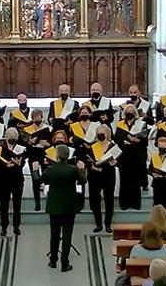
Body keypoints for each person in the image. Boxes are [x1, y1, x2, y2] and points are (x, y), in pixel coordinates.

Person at [32, 144, 87, 272]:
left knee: (54, 234)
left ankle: (53, 261)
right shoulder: (73, 170)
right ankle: (65, 263)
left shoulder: (50, 169)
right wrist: (82, 169)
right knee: (67, 235)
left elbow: (38, 181)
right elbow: (83, 181)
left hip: (54, 206)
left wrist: (35, 170)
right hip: (69, 206)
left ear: (56, 155)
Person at [114, 104, 148, 210]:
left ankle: (135, 204)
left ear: (135, 113)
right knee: (124, 181)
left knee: (135, 181)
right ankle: (124, 204)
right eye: (127, 111)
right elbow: (117, 139)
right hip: (124, 156)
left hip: (137, 156)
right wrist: (125, 141)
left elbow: (145, 141)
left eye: (132, 111)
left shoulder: (141, 124)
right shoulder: (120, 124)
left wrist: (137, 141)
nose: (130, 113)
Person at [0, 128, 26, 236]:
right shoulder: (0, 149)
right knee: (4, 204)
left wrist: (19, 164)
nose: (12, 138)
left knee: (17, 204)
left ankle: (16, 226)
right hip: (4, 180)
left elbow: (23, 161)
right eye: (10, 136)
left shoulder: (21, 148)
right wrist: (5, 165)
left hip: (17, 179)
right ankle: (4, 226)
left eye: (14, 136)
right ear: (6, 137)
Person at [87, 124, 118, 233]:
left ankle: (108, 224)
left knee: (109, 200)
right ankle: (98, 224)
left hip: (108, 176)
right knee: (95, 200)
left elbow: (119, 161)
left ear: (107, 134)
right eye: (98, 133)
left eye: (102, 133)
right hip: (94, 176)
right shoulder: (93, 146)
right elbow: (88, 160)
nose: (100, 135)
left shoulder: (113, 146)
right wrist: (92, 167)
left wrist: (115, 163)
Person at [23, 109, 51, 211]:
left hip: (44, 154)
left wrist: (46, 144)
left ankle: (49, 202)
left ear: (42, 117)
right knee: (35, 179)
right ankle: (37, 203)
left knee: (46, 178)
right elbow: (24, 144)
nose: (36, 119)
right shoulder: (28, 129)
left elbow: (51, 143)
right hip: (33, 155)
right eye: (34, 117)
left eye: (38, 117)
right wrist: (29, 142)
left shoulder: (47, 128)